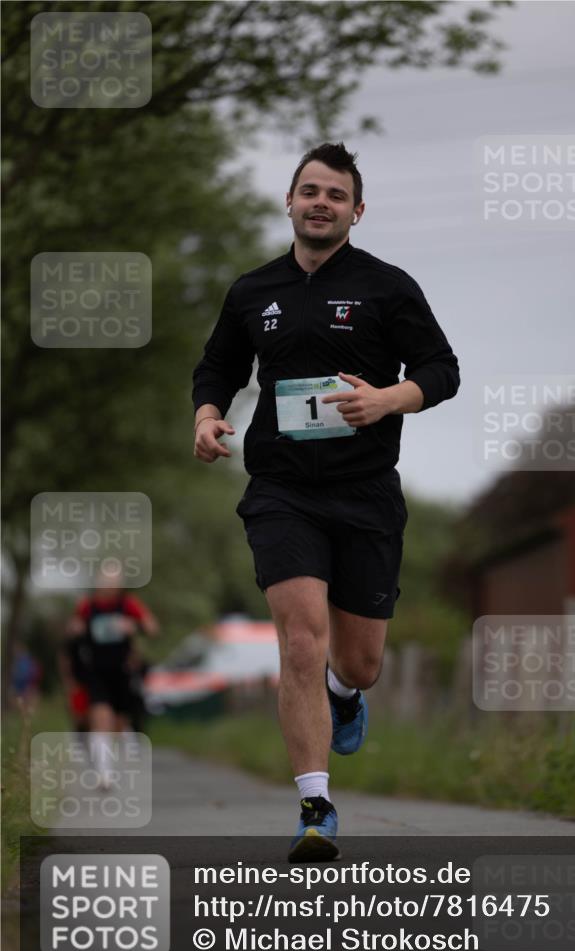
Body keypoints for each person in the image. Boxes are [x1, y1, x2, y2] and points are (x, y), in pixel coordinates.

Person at [192, 143, 460, 860]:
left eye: (334, 195)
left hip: (365, 490)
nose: (319, 202)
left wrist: (385, 399)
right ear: (288, 201)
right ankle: (316, 807)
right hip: (281, 489)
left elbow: (441, 369)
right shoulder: (253, 290)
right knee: (300, 638)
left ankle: (348, 692)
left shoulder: (385, 287)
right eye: (308, 190)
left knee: (360, 661)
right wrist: (207, 414)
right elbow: (218, 364)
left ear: (355, 211)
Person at [66, 568, 159, 788]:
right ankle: (104, 775)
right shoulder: (87, 606)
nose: (108, 588)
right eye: (105, 583)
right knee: (101, 719)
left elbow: (153, 628)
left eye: (113, 583)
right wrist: (76, 630)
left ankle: (123, 742)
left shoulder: (128, 605)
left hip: (122, 671)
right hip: (96, 671)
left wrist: (134, 626)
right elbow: (71, 633)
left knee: (118, 723)